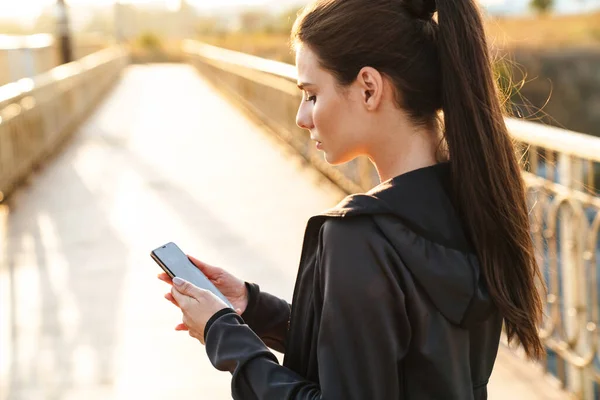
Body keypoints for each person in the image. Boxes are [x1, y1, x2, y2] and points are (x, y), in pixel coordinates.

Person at [158, 0, 546, 398]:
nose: (301, 117)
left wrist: (221, 332)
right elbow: (394, 361)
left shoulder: (360, 238)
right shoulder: (476, 199)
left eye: (310, 94)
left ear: (368, 88)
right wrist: (253, 308)